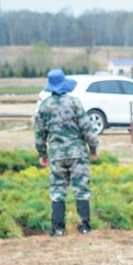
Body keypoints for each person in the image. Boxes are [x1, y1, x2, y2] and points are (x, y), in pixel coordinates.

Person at [34, 69, 99, 237]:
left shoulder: (44, 106)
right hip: (78, 154)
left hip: (57, 155)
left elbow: (39, 134)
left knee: (57, 191)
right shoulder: (74, 103)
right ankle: (84, 226)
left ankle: (58, 229)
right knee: (81, 188)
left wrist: (42, 154)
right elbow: (87, 128)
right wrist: (93, 148)